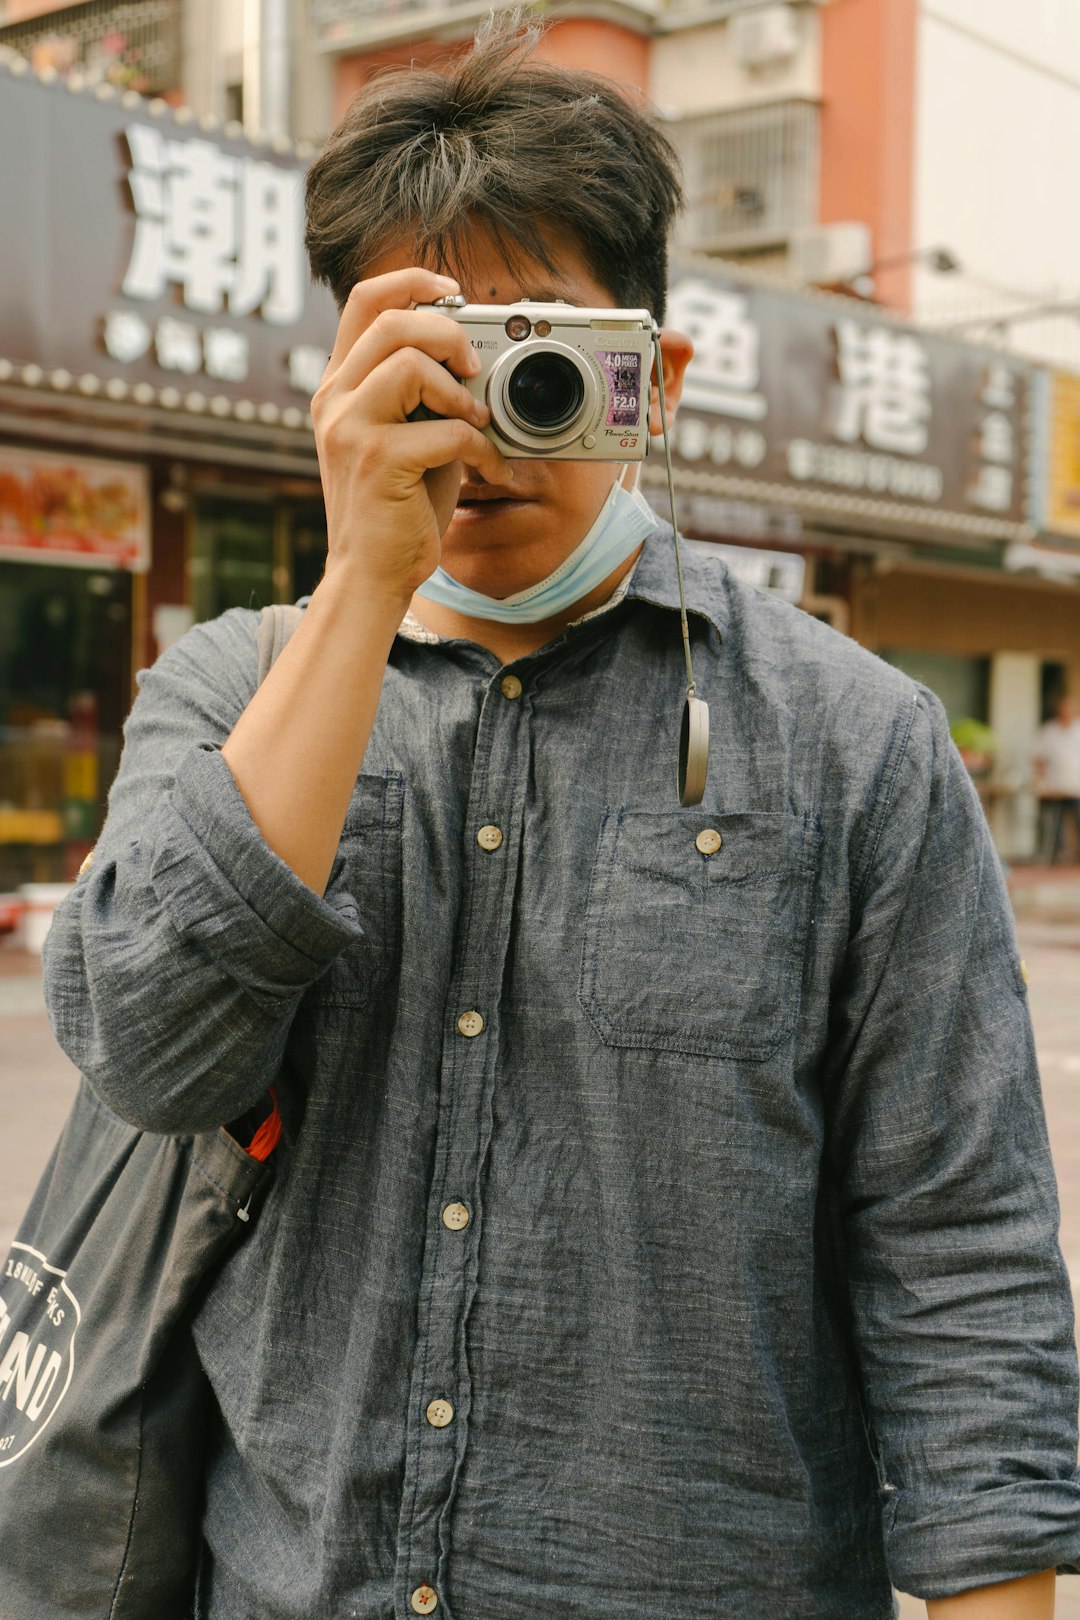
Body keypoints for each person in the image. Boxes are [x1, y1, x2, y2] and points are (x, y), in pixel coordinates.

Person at [42, 16, 1080, 1619]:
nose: (487, 411)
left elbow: (961, 1263)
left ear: (650, 378)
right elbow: (148, 1050)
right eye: (432, 351)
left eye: (535, 352)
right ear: (340, 379)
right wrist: (365, 587)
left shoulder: (858, 744)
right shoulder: (227, 697)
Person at [1033, 693, 1080, 864]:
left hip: (1076, 786)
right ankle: (1059, 854)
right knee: (1054, 822)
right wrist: (1040, 780)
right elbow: (1038, 759)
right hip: (1055, 786)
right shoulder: (1049, 731)